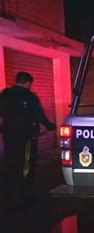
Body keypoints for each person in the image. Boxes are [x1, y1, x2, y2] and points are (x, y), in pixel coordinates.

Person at [0, 72, 56, 203]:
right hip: (26, 136)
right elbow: (39, 114)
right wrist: (49, 126)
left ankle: (10, 191)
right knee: (26, 163)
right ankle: (24, 192)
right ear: (28, 83)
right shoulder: (30, 97)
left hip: (9, 135)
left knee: (11, 160)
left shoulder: (4, 95)